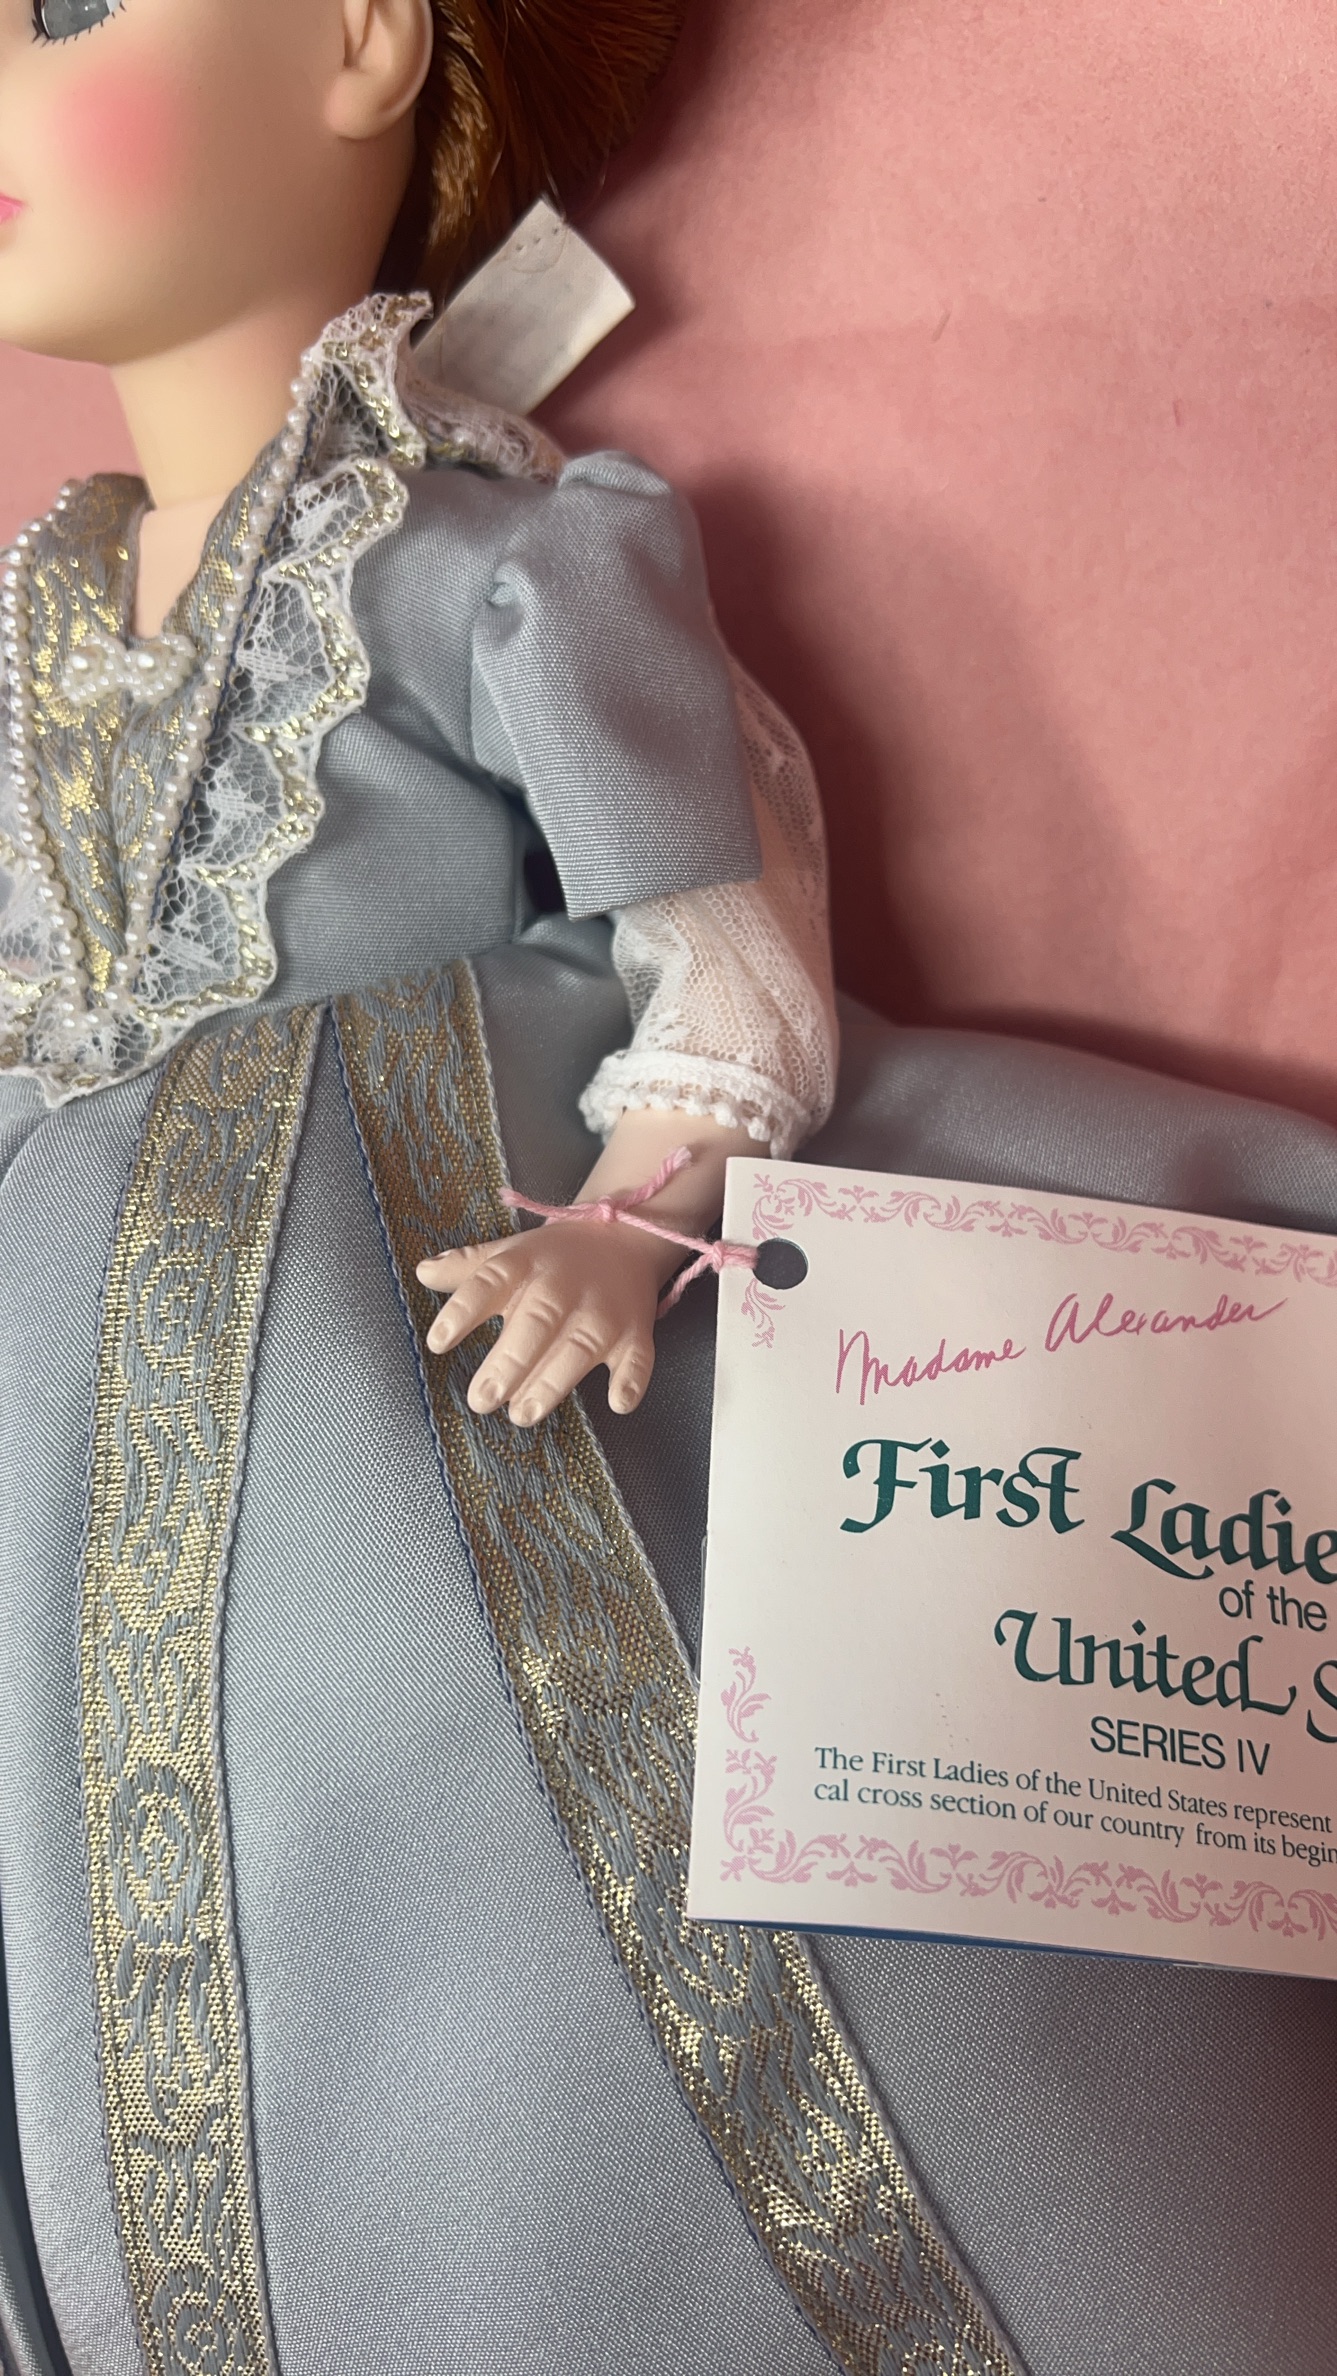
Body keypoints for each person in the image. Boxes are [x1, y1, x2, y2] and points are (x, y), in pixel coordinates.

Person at [0, 5, 1333, 2375]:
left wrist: (637, 1209)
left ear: (360, 42)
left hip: (424, 1320)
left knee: (538, 1881)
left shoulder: (490, 556)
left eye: (68, 3)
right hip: (66, 1423)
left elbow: (719, 935)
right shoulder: (41, 621)